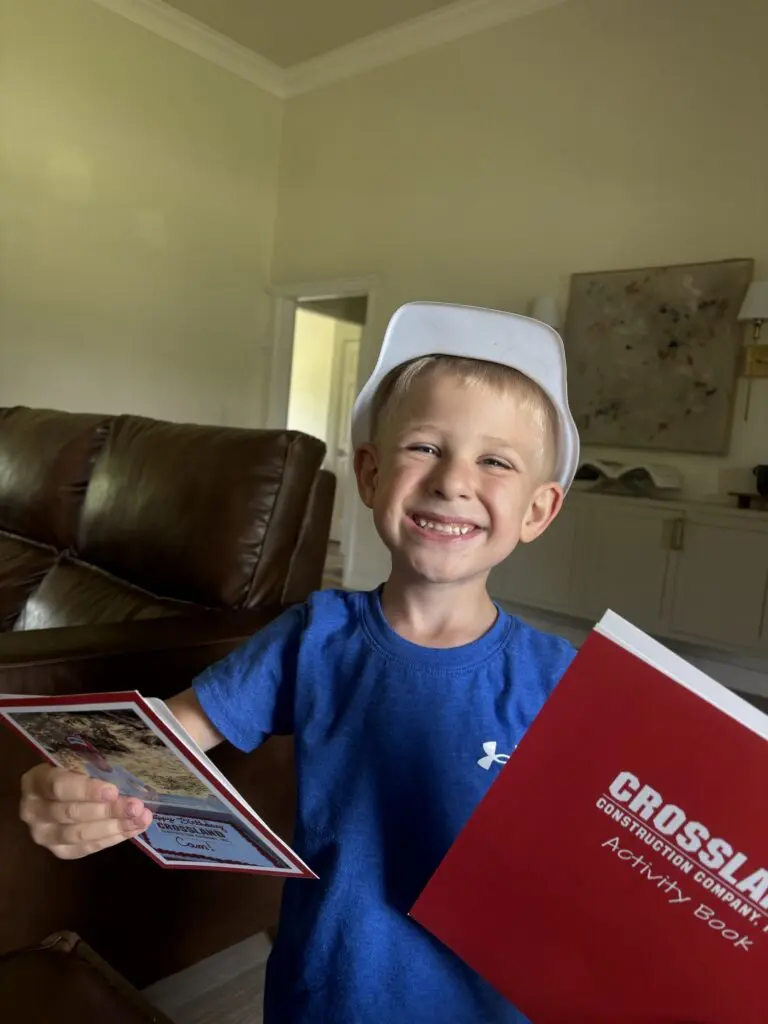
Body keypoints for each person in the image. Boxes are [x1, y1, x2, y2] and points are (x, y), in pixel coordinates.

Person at [18, 301, 581, 1023]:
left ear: (538, 510)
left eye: (495, 460)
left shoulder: (565, 681)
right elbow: (156, 742)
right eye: (425, 447)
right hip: (325, 998)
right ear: (371, 475)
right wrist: (74, 782)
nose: (452, 481)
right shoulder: (315, 635)